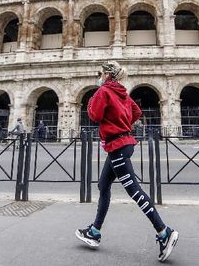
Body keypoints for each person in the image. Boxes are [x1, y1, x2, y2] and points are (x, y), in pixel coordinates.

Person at [75, 61, 178, 262]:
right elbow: (137, 112)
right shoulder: (122, 92)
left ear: (106, 75)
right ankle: (94, 232)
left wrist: (93, 99)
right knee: (103, 185)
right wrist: (122, 124)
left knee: (134, 190)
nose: (98, 76)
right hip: (122, 144)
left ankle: (164, 232)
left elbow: (94, 114)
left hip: (117, 146)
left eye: (100, 73)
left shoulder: (104, 91)